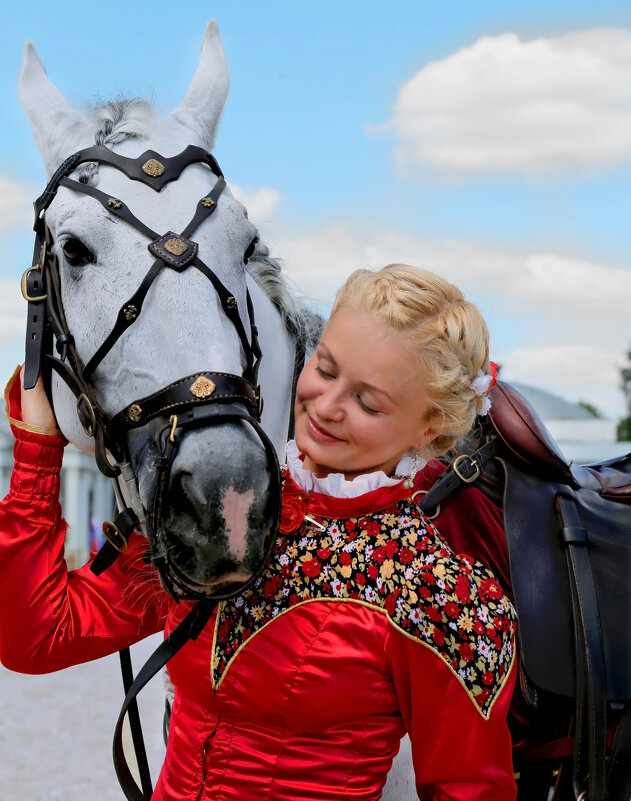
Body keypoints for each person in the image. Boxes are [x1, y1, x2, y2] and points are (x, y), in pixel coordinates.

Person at [0, 264, 518, 800]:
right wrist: (37, 451)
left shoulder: (439, 593)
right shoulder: (223, 506)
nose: (326, 406)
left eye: (368, 402)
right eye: (325, 366)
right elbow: (37, 638)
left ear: (429, 426)